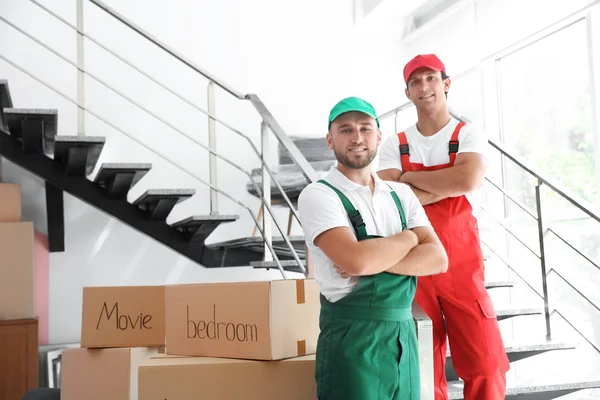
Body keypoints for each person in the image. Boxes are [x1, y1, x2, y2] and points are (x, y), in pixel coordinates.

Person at [377, 54, 510, 400]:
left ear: (445, 83)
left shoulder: (467, 134)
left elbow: (467, 177)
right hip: (415, 264)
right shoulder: (395, 143)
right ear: (407, 92)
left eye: (431, 79)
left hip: (462, 266)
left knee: (486, 362)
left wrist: (408, 180)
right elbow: (388, 196)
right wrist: (445, 184)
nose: (424, 87)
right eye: (416, 82)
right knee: (421, 365)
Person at [298, 96, 448, 400]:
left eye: (366, 128)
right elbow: (356, 262)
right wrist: (409, 238)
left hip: (403, 335)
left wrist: (373, 254)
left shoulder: (401, 194)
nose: (357, 138)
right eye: (345, 130)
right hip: (353, 341)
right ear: (330, 139)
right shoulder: (319, 195)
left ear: (379, 137)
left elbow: (438, 259)